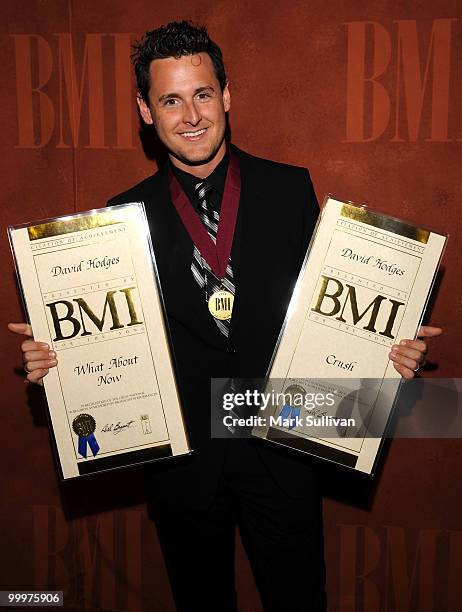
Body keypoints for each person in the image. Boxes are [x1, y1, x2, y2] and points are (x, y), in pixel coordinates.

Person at [8, 21, 441, 611]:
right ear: (145, 110)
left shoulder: (290, 190)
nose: (190, 115)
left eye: (203, 94)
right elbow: (107, 345)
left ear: (226, 95)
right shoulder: (119, 219)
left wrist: (387, 351)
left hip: (282, 454)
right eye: (170, 99)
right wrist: (59, 357)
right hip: (184, 466)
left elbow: (330, 317)